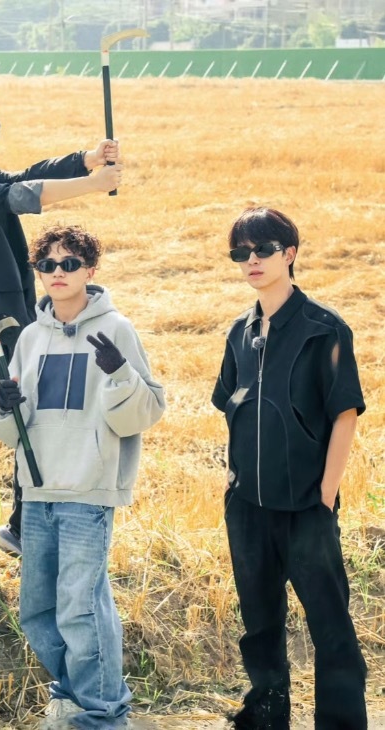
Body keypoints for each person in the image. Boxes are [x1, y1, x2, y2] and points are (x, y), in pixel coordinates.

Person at [0, 95, 123, 590]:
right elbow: (23, 194)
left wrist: (85, 159)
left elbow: (30, 173)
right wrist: (92, 184)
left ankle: (19, 528)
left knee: (29, 427)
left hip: (15, 327)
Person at [0, 225, 165, 728]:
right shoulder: (29, 337)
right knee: (37, 609)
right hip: (37, 490)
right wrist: (1, 405)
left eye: (69, 263)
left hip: (89, 490)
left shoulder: (117, 329)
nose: (58, 273)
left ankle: (104, 712)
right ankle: (70, 694)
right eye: (47, 265)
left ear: (90, 269)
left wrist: (120, 374)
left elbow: (145, 412)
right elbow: (11, 431)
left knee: (80, 608)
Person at [211, 207, 367, 729]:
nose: (251, 260)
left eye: (264, 250)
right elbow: (231, 406)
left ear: (290, 254)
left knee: (330, 626)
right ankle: (267, 716)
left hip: (306, 505)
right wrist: (233, 482)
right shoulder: (239, 330)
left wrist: (326, 494)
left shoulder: (325, 329)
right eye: (241, 253)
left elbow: (344, 414)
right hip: (248, 505)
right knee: (259, 626)